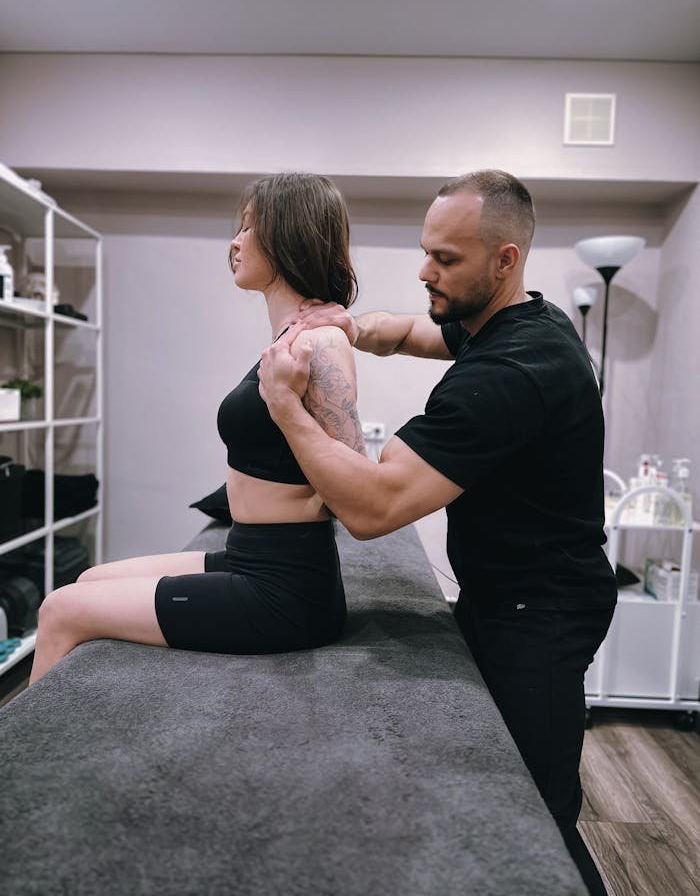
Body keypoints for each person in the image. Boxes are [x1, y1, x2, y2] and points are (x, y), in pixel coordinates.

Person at [258, 169, 616, 895]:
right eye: (427, 251)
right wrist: (344, 325)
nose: (425, 270)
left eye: (445, 259)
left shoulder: (514, 369)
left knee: (531, 817)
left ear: (506, 259)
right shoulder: (520, 320)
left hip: (541, 612)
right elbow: (412, 331)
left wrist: (287, 407)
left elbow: (372, 508)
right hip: (502, 593)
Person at [29, 172, 365, 685]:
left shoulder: (320, 344)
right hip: (247, 556)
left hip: (285, 590)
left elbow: (356, 486)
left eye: (249, 228)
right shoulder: (290, 337)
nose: (234, 242)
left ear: (287, 235)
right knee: (89, 578)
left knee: (60, 609)